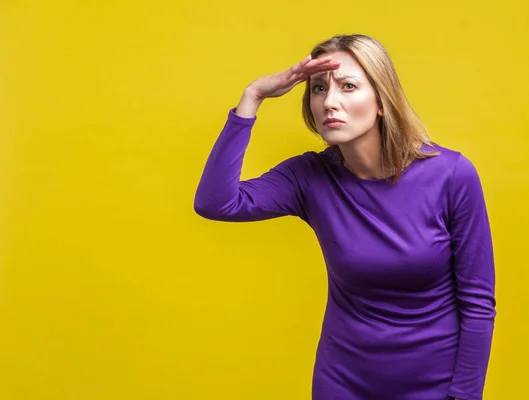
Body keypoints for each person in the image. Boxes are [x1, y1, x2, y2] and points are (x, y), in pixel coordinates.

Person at [194, 34, 496, 400]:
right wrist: (252, 97)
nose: (329, 102)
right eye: (318, 88)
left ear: (382, 100)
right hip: (343, 382)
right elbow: (215, 203)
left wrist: (464, 395)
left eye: (348, 86)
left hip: (435, 383)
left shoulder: (451, 175)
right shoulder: (308, 177)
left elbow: (478, 302)